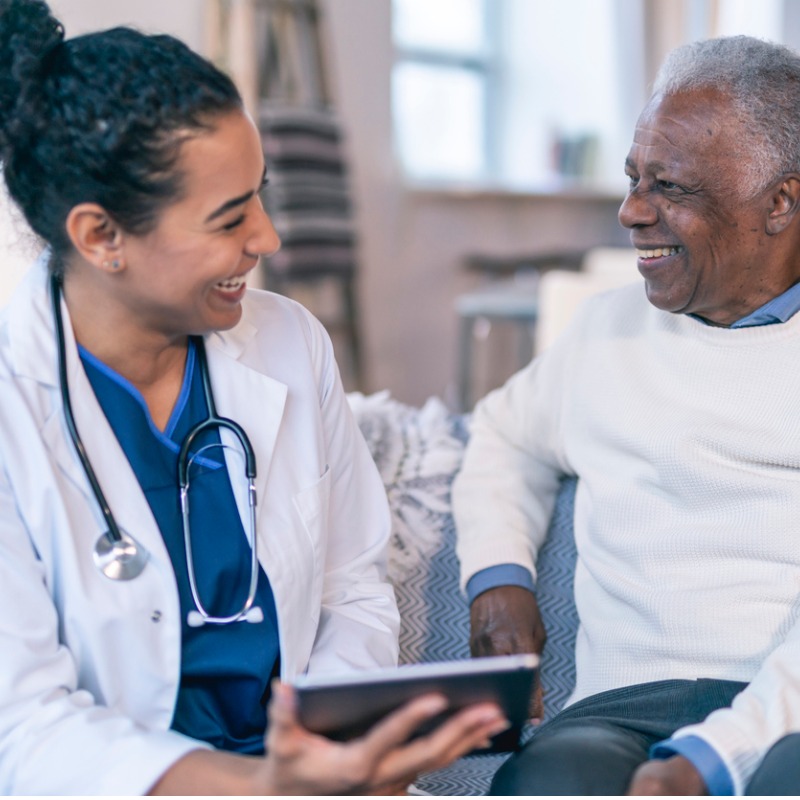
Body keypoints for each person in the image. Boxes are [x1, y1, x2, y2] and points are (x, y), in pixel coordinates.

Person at [0, 1, 507, 794]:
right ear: (101, 237)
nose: (269, 238)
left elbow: (352, 587)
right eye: (231, 217)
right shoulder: (13, 400)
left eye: (259, 196)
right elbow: (25, 728)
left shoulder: (289, 343)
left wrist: (333, 750)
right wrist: (269, 789)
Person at [454, 34, 800, 796]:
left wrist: (713, 761)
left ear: (779, 203)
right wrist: (497, 577)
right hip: (616, 716)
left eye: (671, 188)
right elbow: (505, 435)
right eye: (633, 179)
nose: (631, 212)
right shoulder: (606, 330)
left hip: (789, 718)